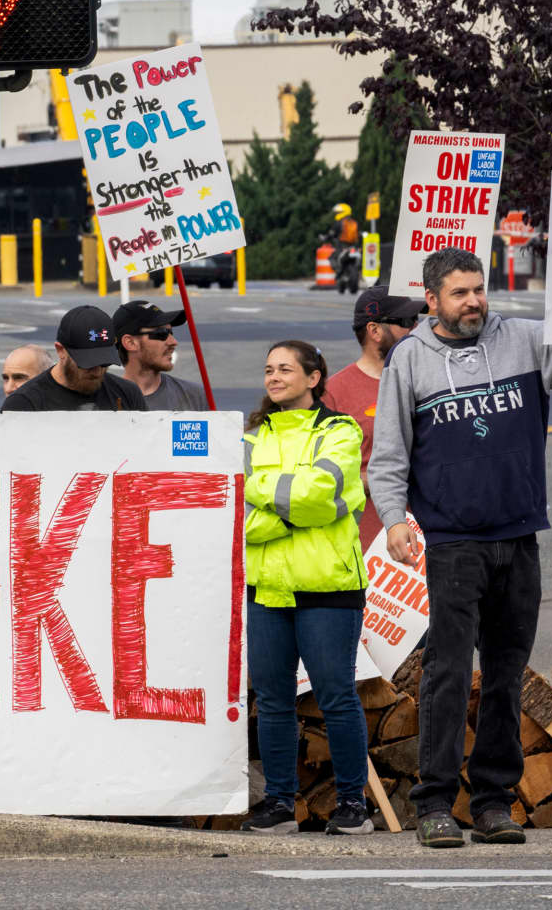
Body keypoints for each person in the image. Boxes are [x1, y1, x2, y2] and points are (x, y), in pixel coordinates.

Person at [371, 247, 552, 848]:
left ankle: (492, 802)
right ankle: (433, 802)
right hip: (454, 542)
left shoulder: (525, 340)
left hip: (519, 536)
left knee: (506, 677)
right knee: (449, 674)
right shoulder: (409, 361)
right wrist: (394, 519)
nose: (474, 301)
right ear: (431, 299)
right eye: (460, 293)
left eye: (478, 289)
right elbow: (388, 456)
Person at [238, 341, 372, 837]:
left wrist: (264, 496)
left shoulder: (341, 430)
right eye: (268, 369)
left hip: (327, 587)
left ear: (315, 378)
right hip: (267, 587)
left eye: (285, 369)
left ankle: (354, 805)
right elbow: (239, 515)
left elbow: (324, 496)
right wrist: (292, 515)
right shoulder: (251, 435)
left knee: (336, 696)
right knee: (272, 701)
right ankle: (278, 803)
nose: (273, 377)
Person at [320, 285, 422, 548]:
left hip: (430, 535)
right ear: (375, 331)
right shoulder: (334, 394)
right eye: (406, 322)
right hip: (366, 543)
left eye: (417, 320)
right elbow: (320, 475)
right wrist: (384, 479)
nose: (415, 329)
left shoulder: (429, 380)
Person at [1, 306, 147, 412]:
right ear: (61, 351)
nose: (97, 371)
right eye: (87, 363)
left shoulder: (127, 393)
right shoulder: (25, 403)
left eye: (104, 362)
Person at [113, 300, 206, 411]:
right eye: (161, 333)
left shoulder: (194, 396)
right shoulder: (104, 403)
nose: (173, 342)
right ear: (130, 343)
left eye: (171, 333)